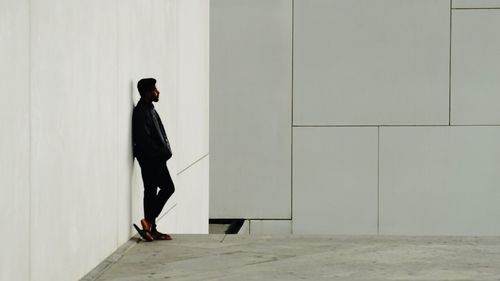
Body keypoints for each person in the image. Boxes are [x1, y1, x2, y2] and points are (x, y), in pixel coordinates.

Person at [132, 78, 174, 241]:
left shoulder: (149, 108)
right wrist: (161, 152)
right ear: (148, 92)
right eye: (155, 89)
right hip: (151, 160)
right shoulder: (141, 112)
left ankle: (150, 226)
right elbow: (144, 141)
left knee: (162, 189)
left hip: (157, 159)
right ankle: (149, 223)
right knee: (154, 191)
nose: (158, 92)